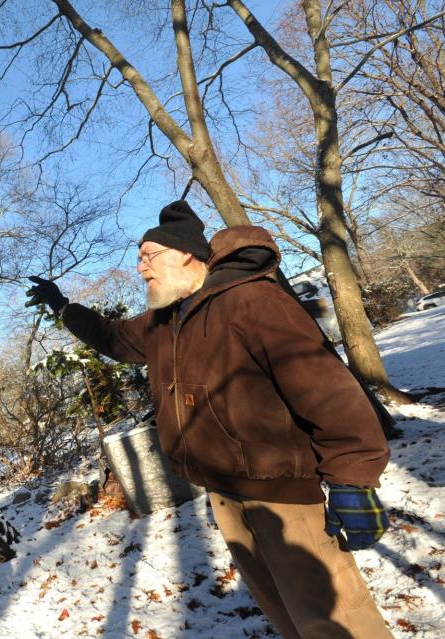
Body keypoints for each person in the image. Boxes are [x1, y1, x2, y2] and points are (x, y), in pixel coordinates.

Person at [26, 200, 393, 639]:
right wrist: (63, 306)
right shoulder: (165, 322)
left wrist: (353, 477)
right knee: (287, 618)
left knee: (336, 623)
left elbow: (325, 390)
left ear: (186, 254)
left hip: (285, 498)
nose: (141, 267)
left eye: (149, 256)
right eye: (139, 258)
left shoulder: (251, 301)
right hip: (224, 494)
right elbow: (113, 338)